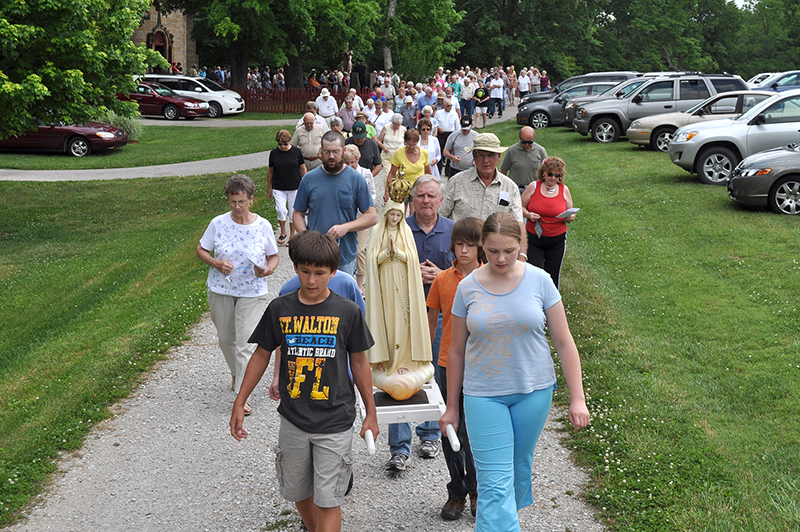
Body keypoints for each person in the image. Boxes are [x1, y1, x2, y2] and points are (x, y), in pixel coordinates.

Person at [438, 212, 590, 532]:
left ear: (521, 243)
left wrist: (577, 399)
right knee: (493, 482)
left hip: (533, 392)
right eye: (492, 251)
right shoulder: (468, 288)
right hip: (483, 395)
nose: (501, 258)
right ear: (483, 247)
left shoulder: (539, 280)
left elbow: (564, 342)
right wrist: (452, 407)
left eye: (508, 250)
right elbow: (455, 350)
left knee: (515, 470)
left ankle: (504, 515)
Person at [231, 231, 378, 532]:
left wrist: (371, 411)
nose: (311, 281)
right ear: (295, 268)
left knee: (329, 499)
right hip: (294, 418)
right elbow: (261, 354)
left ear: (333, 272)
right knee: (298, 491)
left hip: (335, 419)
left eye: (320, 273)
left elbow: (360, 362)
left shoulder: (347, 312)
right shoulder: (280, 309)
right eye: (305, 272)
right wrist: (240, 400)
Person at [385, 176, 454, 472]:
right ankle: (399, 447)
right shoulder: (398, 230)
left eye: (431, 196)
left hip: (440, 315)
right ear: (412, 200)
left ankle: (429, 434)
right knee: (399, 372)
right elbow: (384, 266)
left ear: (441, 200)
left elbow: (467, 269)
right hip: (402, 313)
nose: (426, 200)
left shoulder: (452, 231)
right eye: (421, 196)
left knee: (434, 372)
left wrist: (442, 275)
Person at [197, 174, 280, 417]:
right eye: (233, 202)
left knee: (245, 343)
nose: (237, 207)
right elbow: (201, 249)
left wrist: (269, 269)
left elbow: (273, 255)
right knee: (225, 338)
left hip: (251, 291)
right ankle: (236, 372)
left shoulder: (262, 225)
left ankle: (242, 397)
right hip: (221, 288)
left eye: (242, 202)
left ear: (251, 200)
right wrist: (215, 262)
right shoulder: (218, 223)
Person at [426, 216, 483, 520]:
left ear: (479, 247)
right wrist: (424, 356)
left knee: (474, 432)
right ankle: (456, 491)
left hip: (480, 366)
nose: (464, 250)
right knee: (450, 427)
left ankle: (477, 490)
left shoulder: (488, 279)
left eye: (470, 245)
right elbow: (431, 320)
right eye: (459, 244)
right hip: (447, 362)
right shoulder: (442, 280)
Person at [365, 201, 435, 403]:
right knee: (386, 321)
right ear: (386, 214)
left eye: (398, 215)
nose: (395, 219)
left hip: (403, 285)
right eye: (392, 215)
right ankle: (386, 362)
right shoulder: (378, 231)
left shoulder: (406, 232)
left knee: (404, 322)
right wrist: (387, 253)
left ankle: (404, 361)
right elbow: (371, 260)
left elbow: (413, 259)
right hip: (385, 284)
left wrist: (399, 253)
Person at [293, 131, 377, 277]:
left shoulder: (356, 179)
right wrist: (307, 237)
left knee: (341, 298)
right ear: (321, 151)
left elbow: (371, 216)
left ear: (344, 151)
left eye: (335, 152)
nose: (331, 156)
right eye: (327, 152)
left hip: (344, 255)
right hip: (315, 255)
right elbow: (297, 214)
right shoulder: (309, 179)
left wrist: (346, 227)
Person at [440, 133, 524, 237]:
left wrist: (522, 253)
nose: (486, 161)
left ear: (499, 156)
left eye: (490, 155)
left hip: (494, 249)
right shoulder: (456, 182)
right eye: (481, 155)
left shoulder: (510, 187)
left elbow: (518, 224)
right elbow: (441, 217)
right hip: (461, 247)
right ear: (474, 156)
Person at [521, 156, 575, 288]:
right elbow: (519, 207)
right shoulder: (533, 186)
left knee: (552, 274)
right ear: (543, 172)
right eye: (550, 174)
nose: (553, 178)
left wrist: (570, 217)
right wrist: (528, 214)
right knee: (534, 272)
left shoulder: (564, 190)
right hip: (534, 238)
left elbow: (570, 211)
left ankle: (551, 304)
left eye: (557, 176)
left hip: (556, 239)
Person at [343, 144, 376, 296]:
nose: (350, 166)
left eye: (353, 162)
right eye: (347, 162)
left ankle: (360, 284)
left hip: (361, 219)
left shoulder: (366, 173)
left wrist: (364, 203)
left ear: (358, 159)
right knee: (345, 250)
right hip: (345, 219)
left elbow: (372, 194)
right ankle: (345, 280)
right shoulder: (341, 174)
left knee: (360, 250)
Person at [268, 130, 307, 245]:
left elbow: (303, 169)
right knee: (280, 209)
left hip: (294, 186)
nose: (283, 147)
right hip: (279, 186)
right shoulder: (274, 153)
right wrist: (268, 188)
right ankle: (283, 231)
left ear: (290, 141)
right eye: (280, 144)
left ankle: (291, 235)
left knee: (292, 211)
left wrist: (305, 184)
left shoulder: (297, 152)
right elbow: (270, 171)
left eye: (285, 144)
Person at [384, 129, 431, 208]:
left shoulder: (424, 153)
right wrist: (387, 190)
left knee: (414, 214)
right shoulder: (399, 152)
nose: (411, 147)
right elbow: (392, 173)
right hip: (402, 188)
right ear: (404, 142)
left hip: (417, 187)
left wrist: (429, 188)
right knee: (400, 212)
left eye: (414, 144)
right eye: (409, 144)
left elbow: (428, 173)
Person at [499, 126, 548, 194]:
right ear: (519, 137)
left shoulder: (540, 151)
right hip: (516, 190)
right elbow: (503, 172)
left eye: (530, 142)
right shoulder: (511, 151)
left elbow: (547, 171)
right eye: (524, 142)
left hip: (535, 190)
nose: (527, 145)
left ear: (534, 137)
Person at [375, 114, 406, 181]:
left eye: (398, 125)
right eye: (395, 124)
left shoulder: (403, 129)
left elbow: (406, 143)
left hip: (398, 156)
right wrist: (383, 147)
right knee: (388, 173)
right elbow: (379, 141)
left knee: (398, 175)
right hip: (387, 155)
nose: (397, 126)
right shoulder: (386, 127)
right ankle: (387, 190)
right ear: (392, 123)